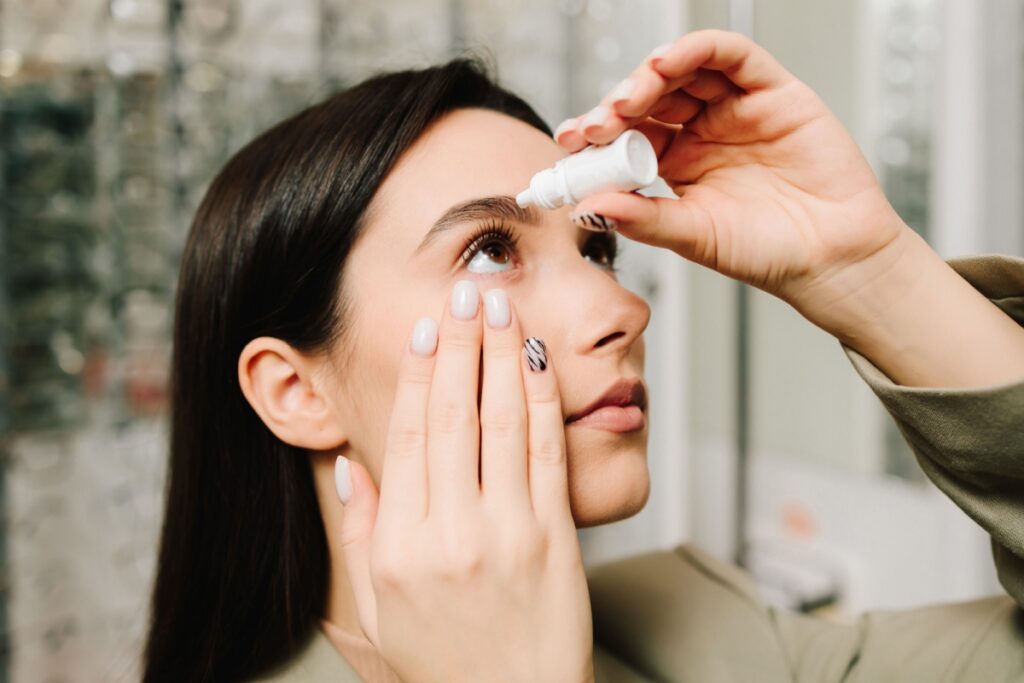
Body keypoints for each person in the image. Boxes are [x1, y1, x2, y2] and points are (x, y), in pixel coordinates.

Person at [141, 30, 1024, 683]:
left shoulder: (693, 631)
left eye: (599, 249)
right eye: (490, 251)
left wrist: (868, 269)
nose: (623, 308)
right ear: (294, 389)